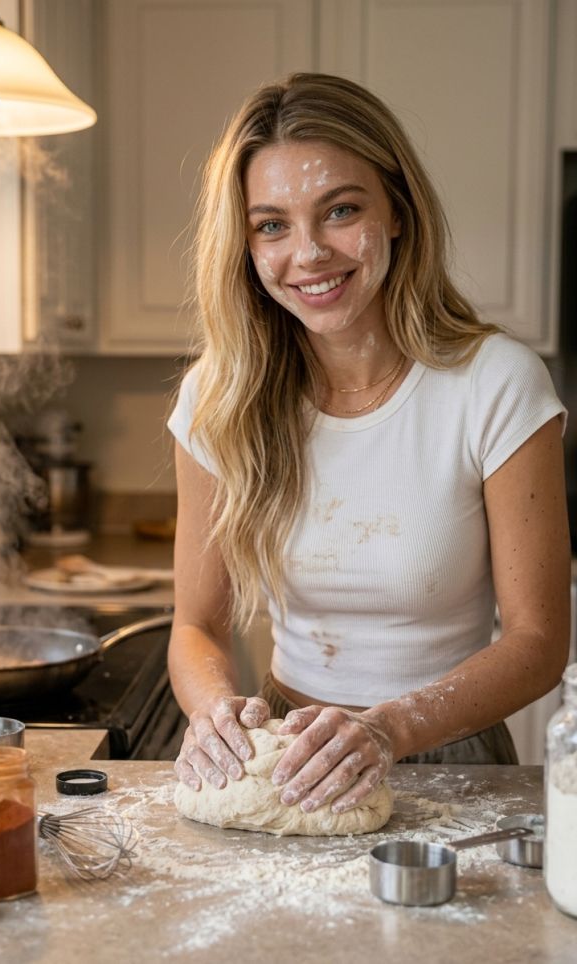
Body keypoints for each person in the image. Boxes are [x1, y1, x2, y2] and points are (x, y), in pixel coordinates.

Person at [166, 72, 571, 816]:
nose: (309, 253)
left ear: (397, 214)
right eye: (272, 225)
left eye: (341, 211)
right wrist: (217, 713)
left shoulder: (496, 385)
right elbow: (196, 625)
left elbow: (540, 641)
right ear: (246, 246)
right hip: (285, 754)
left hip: (448, 757)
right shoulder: (217, 400)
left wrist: (387, 727)